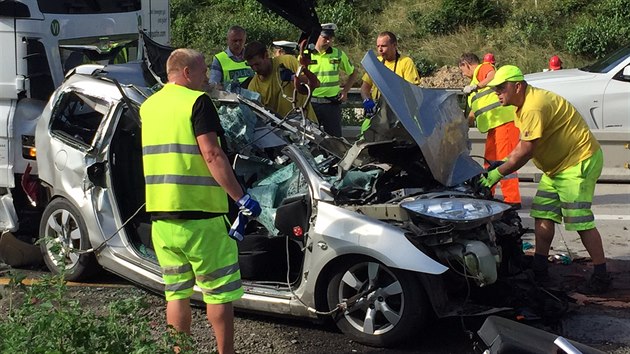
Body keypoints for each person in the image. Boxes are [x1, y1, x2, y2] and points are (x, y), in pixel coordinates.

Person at [140, 48, 261, 354]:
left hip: (162, 219)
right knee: (218, 294)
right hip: (202, 218)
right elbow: (212, 153)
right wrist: (241, 197)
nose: (207, 75)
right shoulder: (197, 102)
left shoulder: (149, 106)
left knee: (176, 294)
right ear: (186, 73)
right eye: (203, 70)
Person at [483, 65, 611, 294]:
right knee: (543, 214)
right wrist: (502, 162)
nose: (497, 93)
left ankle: (602, 275)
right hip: (556, 167)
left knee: (580, 222)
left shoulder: (533, 106)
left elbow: (526, 151)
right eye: (495, 89)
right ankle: (540, 268)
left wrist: (497, 173)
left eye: (501, 88)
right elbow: (523, 143)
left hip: (578, 162)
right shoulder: (522, 105)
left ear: (517, 86)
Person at [459, 53, 521, 208]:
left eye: (462, 69)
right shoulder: (474, 84)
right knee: (490, 161)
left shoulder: (482, 68)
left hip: (505, 123)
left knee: (505, 161)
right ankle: (488, 191)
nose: (462, 73)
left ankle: (512, 199)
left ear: (466, 63)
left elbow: (492, 75)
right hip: (494, 127)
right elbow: (474, 112)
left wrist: (476, 86)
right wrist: (464, 125)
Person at [307, 23, 358, 137]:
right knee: (310, 139)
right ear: (317, 37)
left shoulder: (338, 54)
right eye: (325, 38)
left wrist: (345, 91)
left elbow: (353, 72)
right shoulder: (306, 54)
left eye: (331, 38)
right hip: (311, 104)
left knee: (335, 140)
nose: (329, 41)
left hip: (331, 105)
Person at [244, 41, 317, 120]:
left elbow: (314, 83)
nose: (255, 69)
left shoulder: (287, 61)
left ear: (266, 55)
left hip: (308, 123)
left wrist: (293, 77)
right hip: (283, 129)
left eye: (257, 64)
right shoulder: (254, 86)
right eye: (251, 66)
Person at [360, 31, 421, 117]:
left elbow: (412, 91)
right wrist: (367, 100)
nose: (380, 49)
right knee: (365, 129)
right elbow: (364, 88)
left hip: (398, 114)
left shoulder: (406, 62)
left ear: (394, 45)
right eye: (378, 46)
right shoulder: (375, 63)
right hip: (377, 113)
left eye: (384, 46)